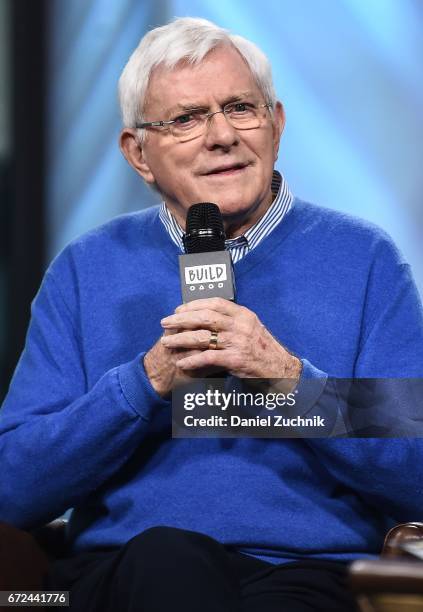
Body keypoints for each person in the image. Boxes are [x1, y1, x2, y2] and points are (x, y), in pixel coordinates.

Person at [1, 16, 422, 612]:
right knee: (169, 560)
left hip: (304, 576)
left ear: (275, 125)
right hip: (126, 572)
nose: (221, 135)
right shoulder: (86, 268)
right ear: (138, 153)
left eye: (240, 108)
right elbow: (13, 490)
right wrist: (144, 383)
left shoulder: (365, 260)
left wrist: (290, 382)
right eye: (186, 119)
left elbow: (416, 476)